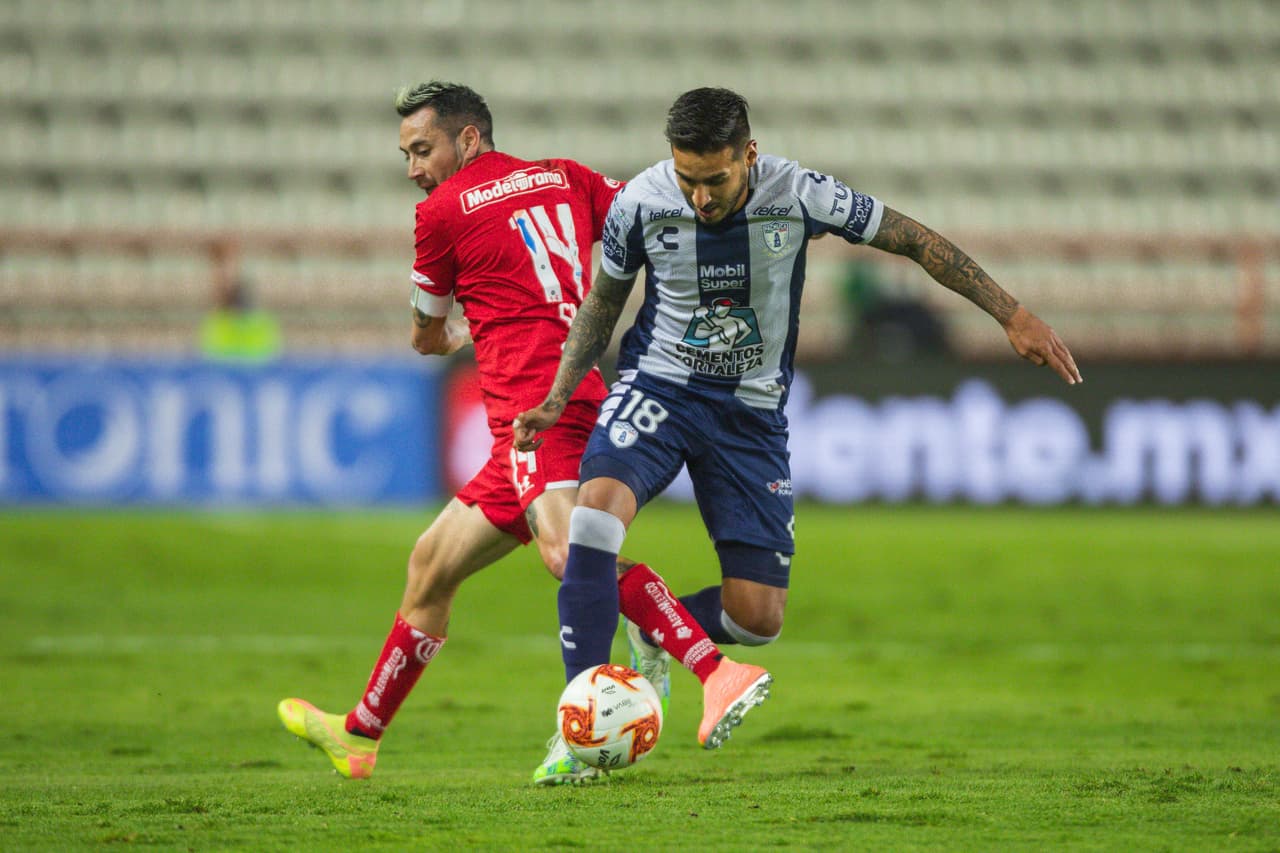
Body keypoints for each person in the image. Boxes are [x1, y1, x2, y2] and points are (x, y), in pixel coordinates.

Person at [513, 87, 1082, 713]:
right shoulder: (639, 202)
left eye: (715, 180)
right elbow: (603, 302)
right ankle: (583, 717)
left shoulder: (800, 193)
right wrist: (557, 396)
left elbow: (914, 240)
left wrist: (1013, 314)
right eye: (687, 179)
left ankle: (656, 624)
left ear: (749, 155)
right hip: (661, 386)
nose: (700, 198)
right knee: (593, 523)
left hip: (750, 414)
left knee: (757, 620)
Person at [275, 81, 771, 787]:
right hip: (545, 419)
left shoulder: (439, 213)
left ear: (468, 138)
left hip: (541, 417)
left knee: (574, 556)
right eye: (406, 154)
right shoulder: (564, 176)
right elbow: (648, 207)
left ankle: (714, 669)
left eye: (422, 149)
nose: (413, 167)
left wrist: (453, 334)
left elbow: (425, 333)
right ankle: (360, 735)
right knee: (431, 565)